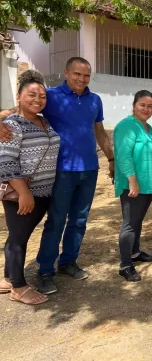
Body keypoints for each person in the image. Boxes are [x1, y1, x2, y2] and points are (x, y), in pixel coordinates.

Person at [0, 57, 114, 295]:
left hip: (89, 169)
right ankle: (45, 271)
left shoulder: (95, 100)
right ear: (66, 72)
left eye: (86, 75)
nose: (81, 79)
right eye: (77, 74)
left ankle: (68, 262)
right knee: (56, 221)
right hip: (61, 172)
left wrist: (111, 159)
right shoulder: (50, 96)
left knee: (80, 220)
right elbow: (18, 109)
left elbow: (100, 131)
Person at [0, 71, 60, 305]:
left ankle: (7, 277)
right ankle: (19, 287)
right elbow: (5, 161)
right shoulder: (12, 125)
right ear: (19, 96)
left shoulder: (43, 120)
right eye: (31, 94)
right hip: (22, 194)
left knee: (18, 235)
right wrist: (24, 193)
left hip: (43, 191)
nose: (37, 99)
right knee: (18, 239)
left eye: (42, 96)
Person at [114, 90, 152, 282]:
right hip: (133, 185)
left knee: (137, 221)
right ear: (134, 105)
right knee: (129, 224)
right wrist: (132, 181)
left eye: (150, 106)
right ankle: (125, 265)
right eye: (142, 105)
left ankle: (134, 252)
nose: (146, 109)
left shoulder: (148, 127)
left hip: (147, 183)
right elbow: (124, 156)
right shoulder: (127, 126)